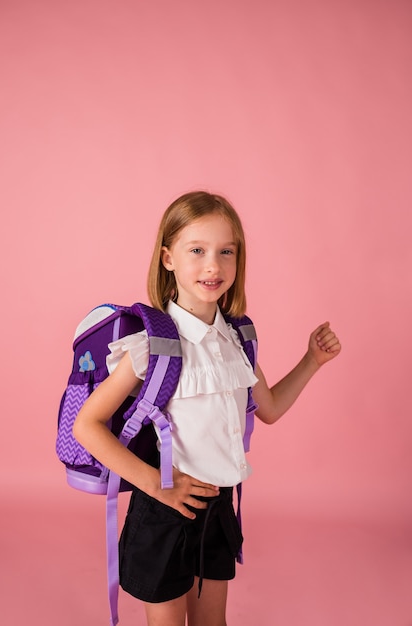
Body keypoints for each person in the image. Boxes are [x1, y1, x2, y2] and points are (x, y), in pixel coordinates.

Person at [73, 190, 341, 626]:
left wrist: (312, 361)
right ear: (168, 258)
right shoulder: (150, 346)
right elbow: (88, 426)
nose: (213, 265)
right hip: (161, 511)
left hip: (217, 508)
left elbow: (268, 408)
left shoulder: (237, 340)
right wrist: (155, 485)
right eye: (196, 250)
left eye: (226, 251)